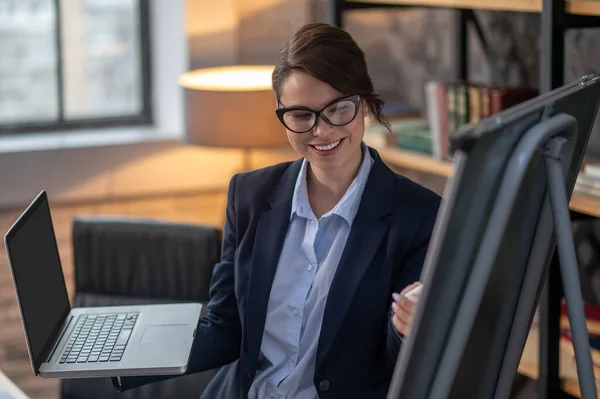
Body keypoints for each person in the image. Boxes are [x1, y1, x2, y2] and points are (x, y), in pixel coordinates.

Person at [114, 22, 440, 398]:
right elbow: (225, 328)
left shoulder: (419, 216)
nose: (321, 130)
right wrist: (121, 356)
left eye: (338, 109)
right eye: (301, 115)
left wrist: (408, 327)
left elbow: (396, 366)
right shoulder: (249, 195)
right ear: (282, 114)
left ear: (364, 104)